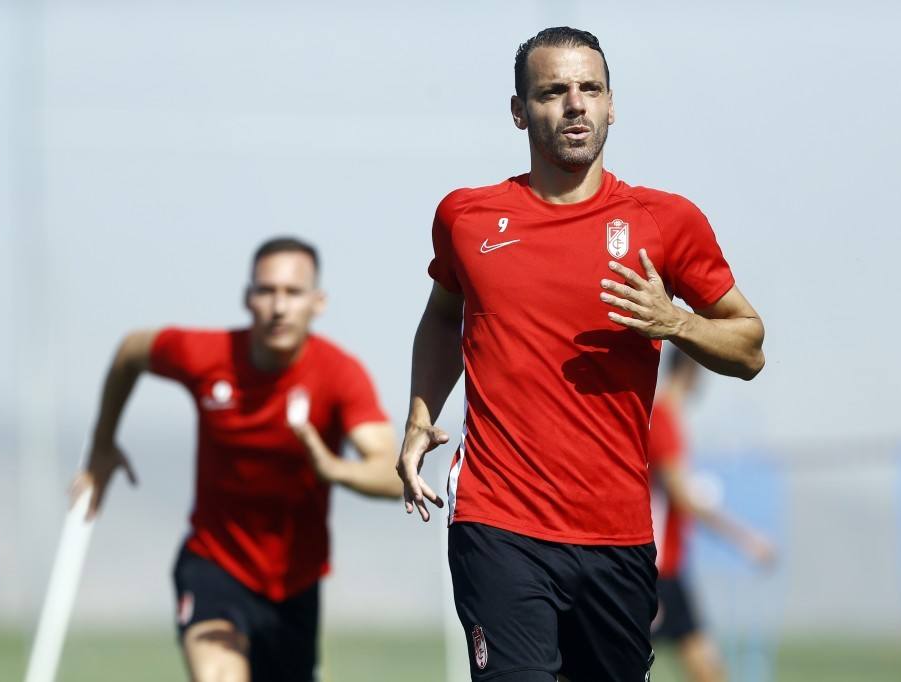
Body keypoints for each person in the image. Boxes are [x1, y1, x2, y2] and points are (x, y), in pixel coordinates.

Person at [396, 26, 766, 682]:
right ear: (520, 111)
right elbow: (442, 318)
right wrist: (422, 414)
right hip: (497, 518)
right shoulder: (468, 217)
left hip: (617, 534)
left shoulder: (665, 221)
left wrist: (674, 321)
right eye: (553, 91)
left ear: (611, 104)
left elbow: (749, 346)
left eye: (589, 89)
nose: (574, 105)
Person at [70, 237, 401, 682]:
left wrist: (334, 468)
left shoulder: (339, 375)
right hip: (215, 564)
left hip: (294, 585)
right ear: (248, 297)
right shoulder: (206, 355)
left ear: (317, 302)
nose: (278, 307)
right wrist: (102, 443)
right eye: (266, 291)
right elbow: (132, 351)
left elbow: (393, 473)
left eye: (293, 292)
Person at [649, 348, 775, 682]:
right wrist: (746, 538)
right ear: (693, 373)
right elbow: (683, 498)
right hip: (655, 573)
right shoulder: (661, 419)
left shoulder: (667, 419)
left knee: (708, 670)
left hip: (670, 573)